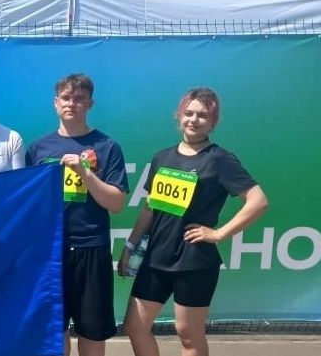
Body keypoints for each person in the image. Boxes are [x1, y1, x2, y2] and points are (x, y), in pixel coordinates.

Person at [119, 87, 268, 356]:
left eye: (202, 115)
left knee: (188, 335)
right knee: (135, 326)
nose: (194, 120)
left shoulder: (220, 159)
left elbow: (258, 201)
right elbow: (149, 208)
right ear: (179, 116)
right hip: (155, 258)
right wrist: (130, 247)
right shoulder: (162, 157)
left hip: (194, 261)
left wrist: (219, 234)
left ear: (213, 121)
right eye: (188, 113)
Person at [25, 73, 128, 356]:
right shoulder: (38, 148)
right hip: (51, 252)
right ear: (56, 103)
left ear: (90, 104)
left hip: (91, 248)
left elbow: (116, 202)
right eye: (66, 98)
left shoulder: (107, 146)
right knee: (54, 328)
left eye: (79, 98)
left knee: (91, 330)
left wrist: (85, 173)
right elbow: (29, 203)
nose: (72, 103)